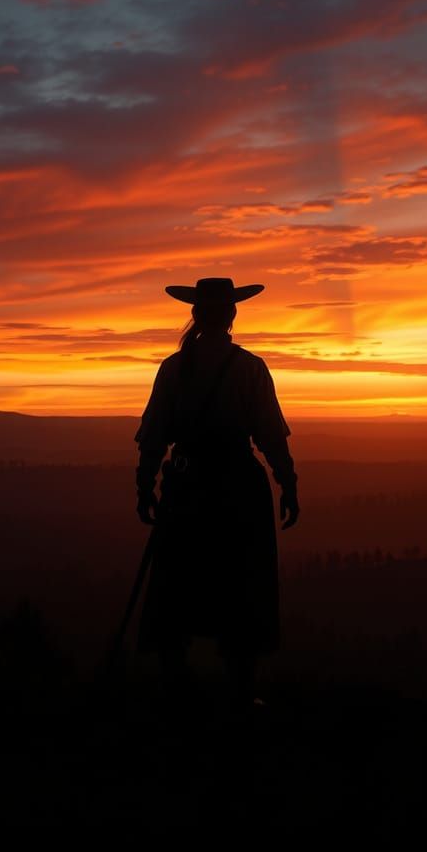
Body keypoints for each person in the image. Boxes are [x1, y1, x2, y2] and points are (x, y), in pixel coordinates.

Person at [133, 277, 299, 713]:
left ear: (195, 313)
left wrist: (145, 485)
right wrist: (289, 483)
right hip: (240, 488)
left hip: (185, 487)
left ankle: (175, 690)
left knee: (177, 583)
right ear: (232, 314)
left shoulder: (173, 368)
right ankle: (241, 693)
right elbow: (270, 435)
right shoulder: (250, 368)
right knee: (242, 583)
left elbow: (153, 437)